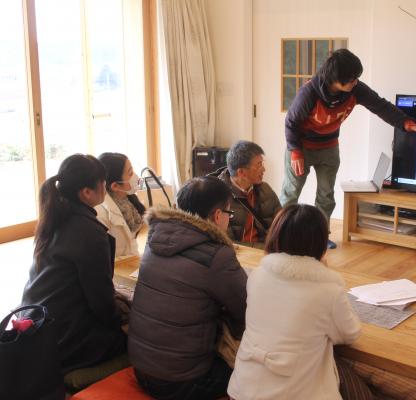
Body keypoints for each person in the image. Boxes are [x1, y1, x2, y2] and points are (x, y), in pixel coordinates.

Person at [280, 48, 416, 249]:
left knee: (326, 196)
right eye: (351, 79)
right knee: (290, 193)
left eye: (356, 78)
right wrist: (295, 151)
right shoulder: (309, 93)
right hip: (300, 148)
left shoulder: (356, 90)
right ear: (335, 80)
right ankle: (282, 237)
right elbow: (291, 122)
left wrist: (404, 123)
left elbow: (380, 106)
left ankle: (320, 237)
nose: (355, 82)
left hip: (328, 147)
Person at [228, 203, 373, 400]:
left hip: (243, 388)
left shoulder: (258, 276)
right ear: (320, 242)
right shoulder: (327, 290)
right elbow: (350, 333)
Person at [128, 176, 248, 400]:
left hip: (141, 369)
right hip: (183, 383)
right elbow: (246, 309)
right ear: (217, 215)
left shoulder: (155, 238)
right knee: (257, 368)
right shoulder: (217, 255)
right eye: (229, 214)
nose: (229, 221)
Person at [22, 154, 126, 375]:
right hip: (65, 343)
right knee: (140, 334)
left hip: (36, 329)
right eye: (102, 183)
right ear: (86, 192)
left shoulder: (54, 217)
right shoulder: (89, 232)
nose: (105, 187)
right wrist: (125, 316)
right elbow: (102, 305)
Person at [216, 140, 281, 247]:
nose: (264, 169)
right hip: (241, 255)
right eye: (259, 165)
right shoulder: (218, 196)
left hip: (267, 252)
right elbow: (226, 243)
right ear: (241, 172)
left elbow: (281, 223)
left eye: (262, 163)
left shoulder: (265, 190)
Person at [96, 152, 146, 257]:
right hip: (116, 268)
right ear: (115, 186)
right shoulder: (100, 213)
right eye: (130, 173)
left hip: (131, 262)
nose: (135, 176)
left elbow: (131, 244)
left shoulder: (130, 201)